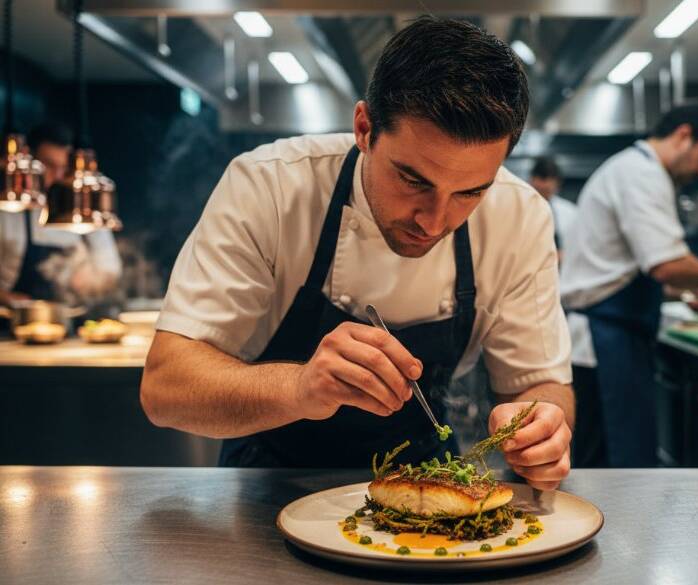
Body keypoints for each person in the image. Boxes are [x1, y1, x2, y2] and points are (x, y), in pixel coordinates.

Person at [140, 17, 574, 490]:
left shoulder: (521, 216)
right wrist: (300, 387)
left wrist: (542, 426)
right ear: (364, 128)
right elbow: (166, 388)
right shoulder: (270, 186)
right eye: (413, 181)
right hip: (265, 491)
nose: (433, 221)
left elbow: (541, 385)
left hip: (429, 485)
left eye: (470, 193)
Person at [560, 104, 698, 467]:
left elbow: (621, 271)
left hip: (610, 339)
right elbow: (666, 265)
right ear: (683, 136)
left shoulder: (631, 168)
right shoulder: (642, 174)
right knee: (613, 470)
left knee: (607, 467)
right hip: (604, 347)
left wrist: (688, 292)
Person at [528, 157, 604, 467]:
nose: (543, 185)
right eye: (539, 178)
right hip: (527, 299)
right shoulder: (521, 209)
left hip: (565, 302)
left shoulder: (572, 216)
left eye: (549, 180)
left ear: (557, 183)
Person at [0, 122, 121, 309]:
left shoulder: (82, 204)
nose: (57, 176)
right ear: (29, 162)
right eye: (48, 165)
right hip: (13, 320)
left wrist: (86, 280)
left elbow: (110, 269)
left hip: (70, 319)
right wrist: (4, 297)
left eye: (63, 168)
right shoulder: (8, 204)